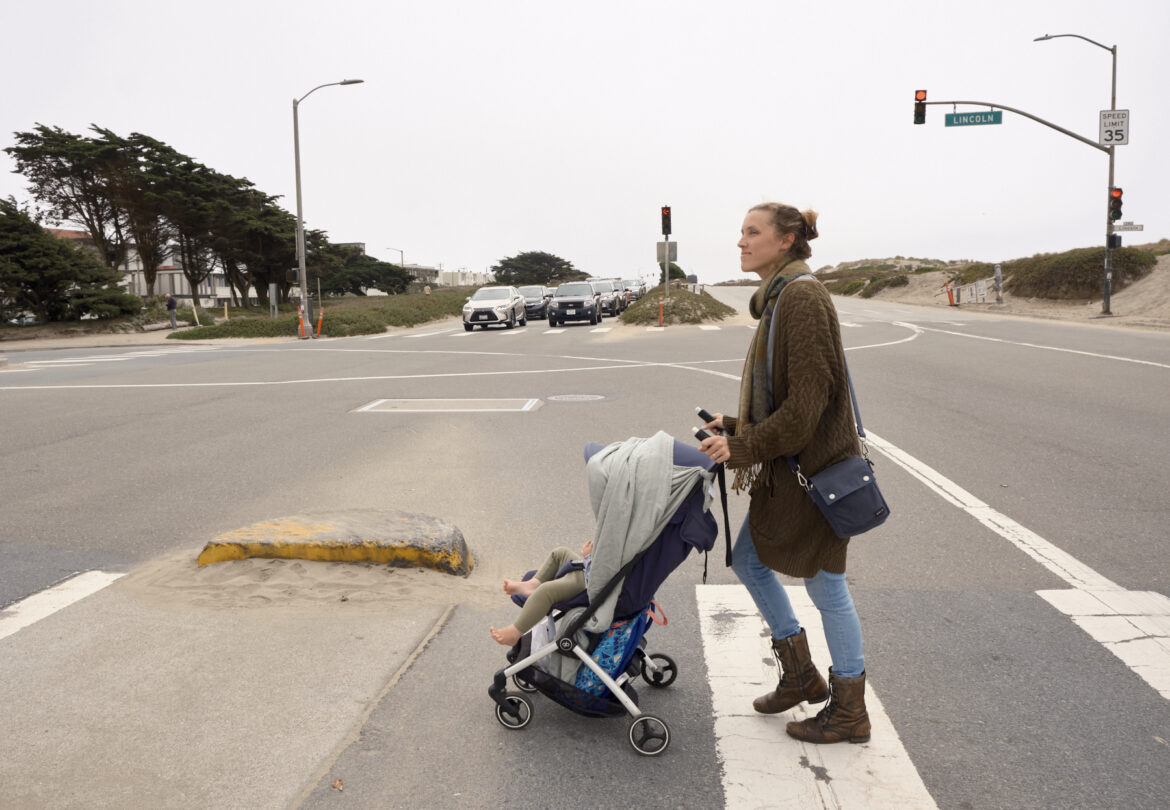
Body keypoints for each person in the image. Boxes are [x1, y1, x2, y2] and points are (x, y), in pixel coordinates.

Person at [698, 202, 870, 745]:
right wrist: (736, 421)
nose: (742, 242)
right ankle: (800, 672)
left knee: (827, 586)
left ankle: (848, 709)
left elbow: (808, 406)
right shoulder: (776, 298)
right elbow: (787, 396)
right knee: (747, 558)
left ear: (787, 239)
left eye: (753, 232)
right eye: (741, 232)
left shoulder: (801, 298)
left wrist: (742, 445)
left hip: (812, 472)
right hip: (790, 468)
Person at [490, 539, 593, 646]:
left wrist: (588, 557)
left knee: (546, 591)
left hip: (589, 587)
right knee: (559, 553)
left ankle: (515, 632)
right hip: (588, 573)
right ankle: (533, 585)